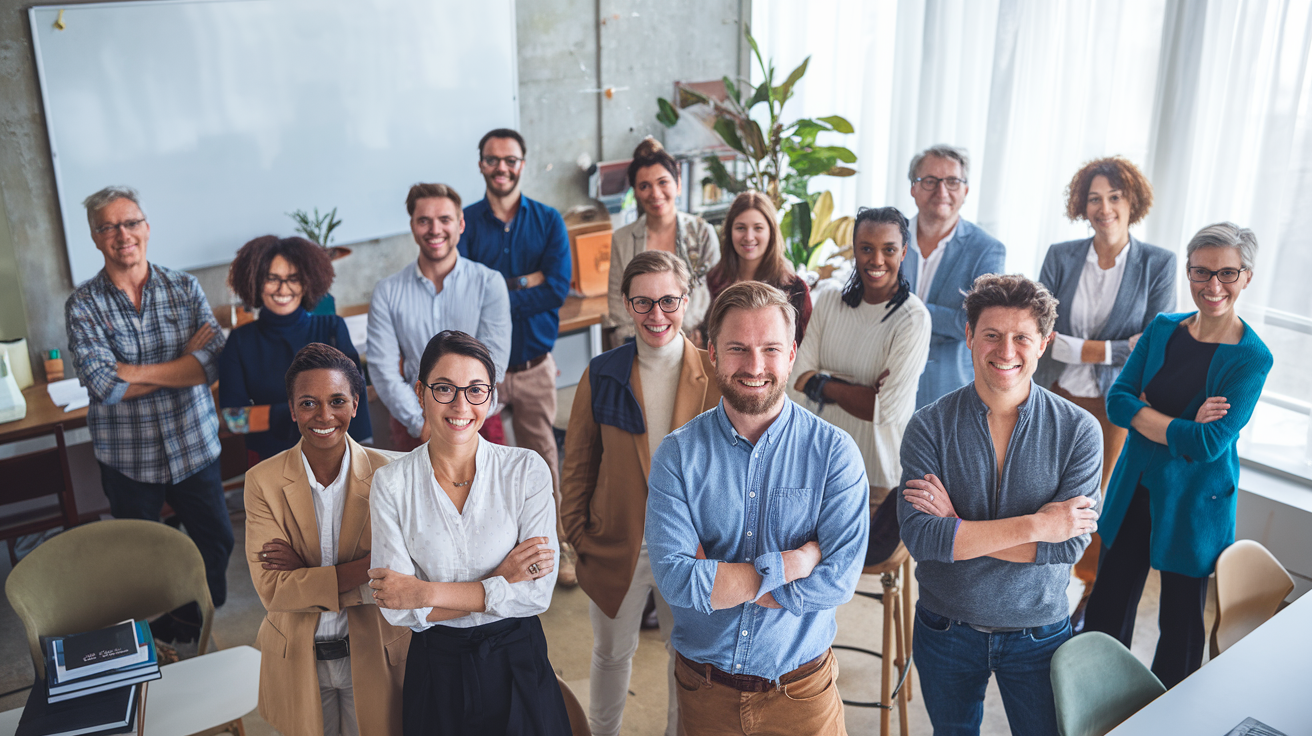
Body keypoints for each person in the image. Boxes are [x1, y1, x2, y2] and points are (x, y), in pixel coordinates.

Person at [647, 281, 869, 736]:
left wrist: (722, 580)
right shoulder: (677, 455)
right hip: (704, 693)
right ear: (712, 353)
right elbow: (676, 580)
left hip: (802, 694)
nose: (754, 366)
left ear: (791, 354)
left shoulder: (834, 453)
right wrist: (796, 561)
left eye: (770, 349)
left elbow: (839, 580)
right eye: (737, 349)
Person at [898, 273, 1102, 736]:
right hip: (945, 627)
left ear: (1045, 342)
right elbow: (924, 539)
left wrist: (959, 529)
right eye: (991, 335)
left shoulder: (1080, 431)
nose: (1005, 351)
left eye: (1021, 338)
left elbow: (1068, 548)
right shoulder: (928, 427)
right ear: (969, 335)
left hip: (1039, 631)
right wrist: (1038, 524)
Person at [1085, 222, 1272, 688]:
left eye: (1227, 273)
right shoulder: (1163, 328)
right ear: (1188, 273)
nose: (1213, 286)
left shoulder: (1252, 358)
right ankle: (1094, 697)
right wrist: (1182, 427)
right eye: (1201, 272)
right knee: (1107, 607)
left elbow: (1210, 444)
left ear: (1246, 277)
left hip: (1195, 501)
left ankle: (1169, 715)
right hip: (1136, 488)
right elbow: (1118, 402)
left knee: (1181, 627)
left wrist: (1149, 415)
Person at [368, 330, 570, 735]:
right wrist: (501, 579)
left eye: (476, 390)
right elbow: (396, 609)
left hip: (517, 658)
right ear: (420, 392)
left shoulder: (526, 470)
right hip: (436, 667)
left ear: (492, 397)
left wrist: (426, 593)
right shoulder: (391, 484)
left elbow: (535, 593)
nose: (461, 405)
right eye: (444, 388)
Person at [561, 251, 722, 736]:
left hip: (691, 548)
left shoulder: (713, 374)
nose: (657, 315)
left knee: (686, 657)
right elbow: (579, 463)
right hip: (616, 544)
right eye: (643, 302)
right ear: (626, 305)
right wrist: (578, 534)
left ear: (686, 301)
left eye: (668, 300)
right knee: (611, 653)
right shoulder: (602, 373)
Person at [65, 185, 232, 643]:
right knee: (140, 558)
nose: (123, 234)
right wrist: (182, 363)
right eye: (109, 227)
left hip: (193, 445)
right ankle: (158, 640)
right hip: (128, 458)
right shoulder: (83, 305)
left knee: (217, 541)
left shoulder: (184, 287)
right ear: (96, 238)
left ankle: (194, 626)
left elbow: (212, 363)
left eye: (131, 222)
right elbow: (104, 385)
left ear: (147, 228)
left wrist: (133, 371)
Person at [244, 343, 411, 736]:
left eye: (337, 400)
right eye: (308, 403)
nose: (323, 416)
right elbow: (274, 591)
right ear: (291, 408)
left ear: (356, 403)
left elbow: (402, 578)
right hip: (299, 660)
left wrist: (305, 573)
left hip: (375, 655)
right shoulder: (262, 482)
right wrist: (367, 569)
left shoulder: (391, 475)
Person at [1034, 157, 1176, 617]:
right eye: (1094, 198)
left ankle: (1090, 587)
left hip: (1114, 402)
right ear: (1082, 204)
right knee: (1040, 487)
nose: (1104, 207)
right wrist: (1111, 347)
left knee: (1097, 495)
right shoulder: (1061, 255)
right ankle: (1040, 580)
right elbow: (1042, 331)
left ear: (1132, 201)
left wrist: (1081, 348)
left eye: (1114, 197)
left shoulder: (1159, 264)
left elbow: (1151, 344)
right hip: (1054, 391)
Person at [458, 128, 577, 586]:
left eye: (510, 160)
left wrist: (498, 290)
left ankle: (556, 545)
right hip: (478, 373)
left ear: (523, 163)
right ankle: (493, 553)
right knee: (478, 464)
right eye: (492, 159)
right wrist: (524, 281)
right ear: (481, 164)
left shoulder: (547, 221)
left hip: (530, 367)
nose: (501, 167)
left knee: (543, 460)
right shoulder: (464, 222)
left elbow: (557, 288)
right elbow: (467, 295)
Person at [788, 206, 931, 513]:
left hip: (878, 477)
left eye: (888, 249)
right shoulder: (828, 299)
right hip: (817, 464)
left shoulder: (913, 318)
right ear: (854, 249)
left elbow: (884, 410)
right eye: (866, 248)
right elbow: (795, 384)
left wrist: (822, 381)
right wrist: (858, 388)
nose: (876, 260)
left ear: (903, 252)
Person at [368, 183, 511, 453]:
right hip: (416, 424)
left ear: (460, 224)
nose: (435, 230)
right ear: (412, 226)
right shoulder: (387, 292)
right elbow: (383, 370)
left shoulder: (489, 283)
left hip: (476, 419)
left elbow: (495, 363)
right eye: (424, 221)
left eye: (444, 220)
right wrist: (420, 420)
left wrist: (465, 414)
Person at [220, 236, 372, 465]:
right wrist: (304, 412)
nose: (283, 289)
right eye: (272, 279)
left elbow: (355, 402)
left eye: (293, 279)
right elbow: (232, 420)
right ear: (255, 281)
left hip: (338, 458)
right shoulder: (241, 341)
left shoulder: (332, 328)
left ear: (307, 282)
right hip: (271, 463)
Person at [899, 145, 1006, 409]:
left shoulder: (987, 250)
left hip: (947, 390)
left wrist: (903, 308)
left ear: (965, 191)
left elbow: (974, 324)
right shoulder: (887, 236)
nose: (941, 191)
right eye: (930, 181)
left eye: (952, 181)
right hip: (881, 381)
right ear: (913, 187)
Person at [605, 137, 719, 346]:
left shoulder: (702, 232)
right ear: (636, 192)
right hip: (640, 344)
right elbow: (617, 304)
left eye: (663, 182)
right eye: (645, 186)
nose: (655, 193)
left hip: (697, 344)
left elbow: (718, 296)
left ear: (678, 184)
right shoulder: (622, 239)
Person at [705, 191, 812, 347]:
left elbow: (804, 351)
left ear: (771, 232)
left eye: (758, 228)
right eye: (740, 228)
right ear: (729, 232)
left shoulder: (795, 290)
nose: (749, 237)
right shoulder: (713, 282)